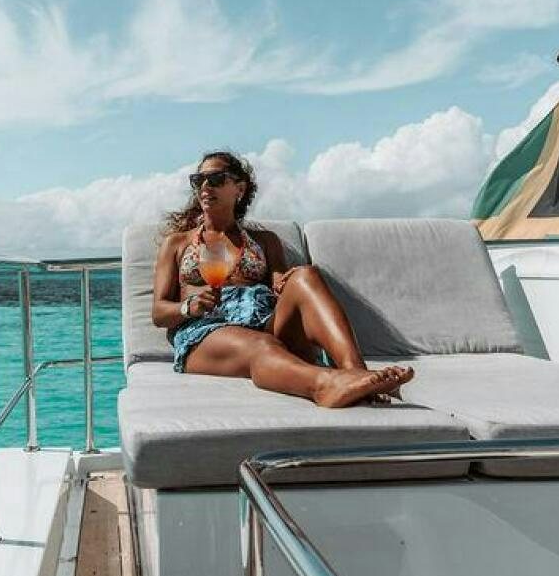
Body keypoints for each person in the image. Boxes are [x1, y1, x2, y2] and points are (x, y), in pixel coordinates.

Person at [151, 150, 413, 408]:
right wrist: (189, 306)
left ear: (239, 189)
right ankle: (324, 386)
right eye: (199, 180)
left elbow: (280, 283)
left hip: (263, 321)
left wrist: (283, 282)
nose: (206, 186)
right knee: (262, 344)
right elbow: (159, 312)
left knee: (306, 275)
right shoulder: (177, 244)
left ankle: (356, 374)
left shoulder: (266, 241)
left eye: (217, 179)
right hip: (206, 331)